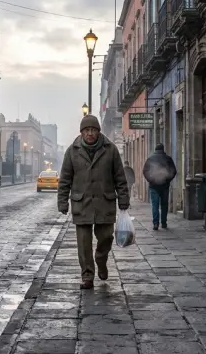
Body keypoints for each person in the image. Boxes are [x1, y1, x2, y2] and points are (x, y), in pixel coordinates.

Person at [58, 115, 130, 290]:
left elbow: (120, 177)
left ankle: (101, 259)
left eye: (93, 130)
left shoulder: (110, 149)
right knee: (83, 244)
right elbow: (65, 179)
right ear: (82, 132)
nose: (90, 133)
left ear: (98, 131)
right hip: (81, 203)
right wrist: (62, 202)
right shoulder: (72, 151)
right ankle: (87, 276)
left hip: (104, 203)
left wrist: (123, 198)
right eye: (86, 130)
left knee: (106, 237)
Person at [143, 143, 177, 230]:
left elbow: (145, 171)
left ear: (155, 149)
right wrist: (167, 179)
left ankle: (155, 223)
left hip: (154, 186)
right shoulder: (168, 159)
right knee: (164, 205)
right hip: (165, 186)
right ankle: (164, 223)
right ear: (163, 149)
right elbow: (174, 171)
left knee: (155, 205)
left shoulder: (150, 159)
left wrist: (151, 180)